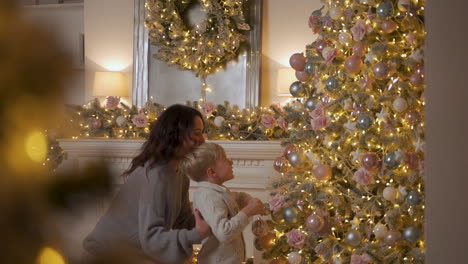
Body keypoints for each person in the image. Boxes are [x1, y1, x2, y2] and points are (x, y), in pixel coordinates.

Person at [82, 104, 212, 264]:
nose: (202, 139)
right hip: (106, 257)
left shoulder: (180, 174)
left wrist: (219, 213)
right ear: (176, 134)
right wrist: (197, 234)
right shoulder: (155, 175)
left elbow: (183, 221)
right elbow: (151, 237)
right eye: (196, 133)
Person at [179, 142, 265, 264]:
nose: (231, 162)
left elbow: (236, 197)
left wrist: (247, 200)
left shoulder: (217, 192)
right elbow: (224, 233)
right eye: (225, 160)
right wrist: (247, 211)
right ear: (212, 173)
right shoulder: (209, 197)